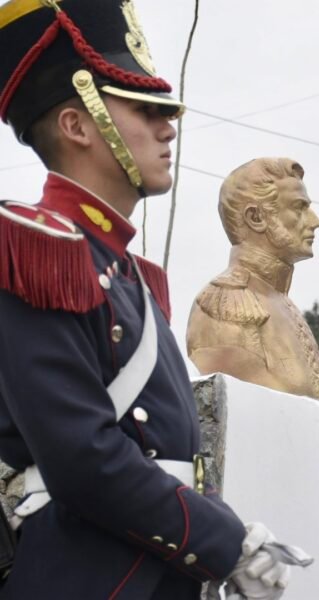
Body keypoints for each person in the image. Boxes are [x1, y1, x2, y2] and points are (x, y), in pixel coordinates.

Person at [0, 1, 301, 598]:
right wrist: (225, 541)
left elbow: (168, 451)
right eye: (146, 109)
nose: (169, 127)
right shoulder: (33, 249)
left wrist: (223, 542)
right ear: (78, 125)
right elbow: (83, 458)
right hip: (87, 576)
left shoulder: (133, 274)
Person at [186, 158, 319, 402]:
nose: (315, 221)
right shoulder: (225, 303)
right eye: (299, 207)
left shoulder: (280, 303)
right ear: (256, 217)